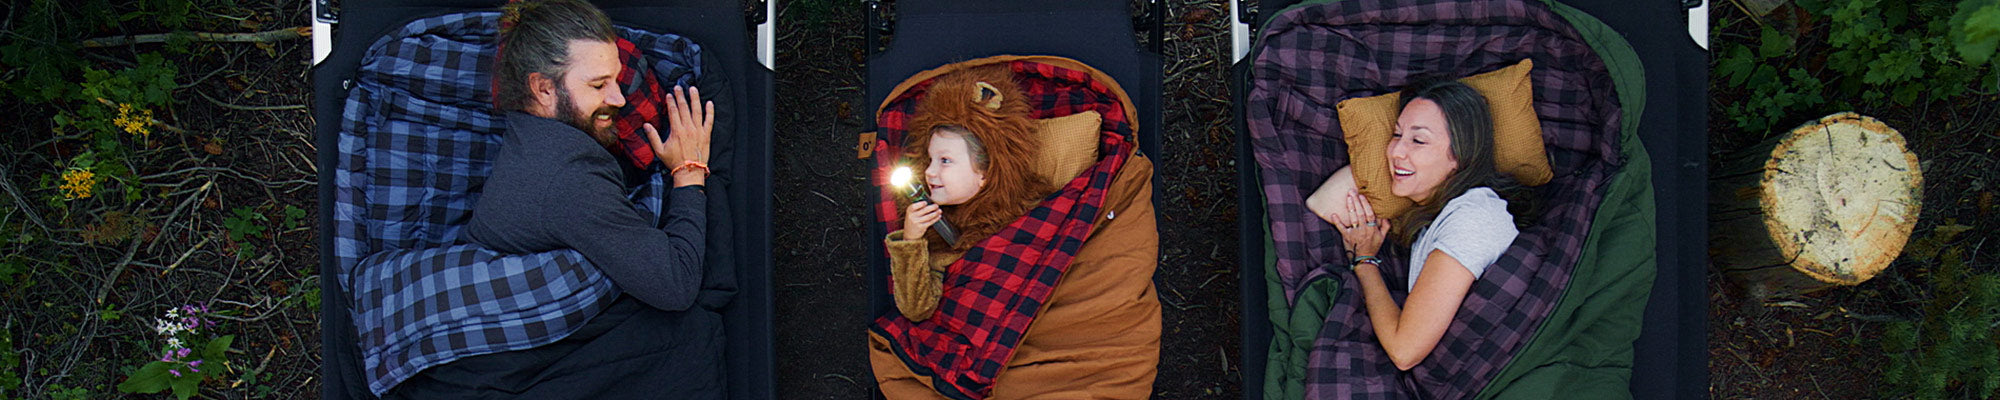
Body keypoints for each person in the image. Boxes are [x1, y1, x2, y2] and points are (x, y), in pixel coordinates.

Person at [384, 0, 729, 397]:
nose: (618, 99)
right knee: (687, 339)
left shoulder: (532, 132)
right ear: (543, 88)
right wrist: (688, 171)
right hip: (492, 361)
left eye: (616, 80)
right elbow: (676, 284)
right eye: (599, 85)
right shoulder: (568, 178)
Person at [1315, 76, 1526, 371]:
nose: (1395, 152)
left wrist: (1364, 261)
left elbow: (1404, 350)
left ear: (1460, 156)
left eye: (1418, 140)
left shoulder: (1475, 217)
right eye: (1396, 134)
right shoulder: (1437, 218)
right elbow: (1321, 204)